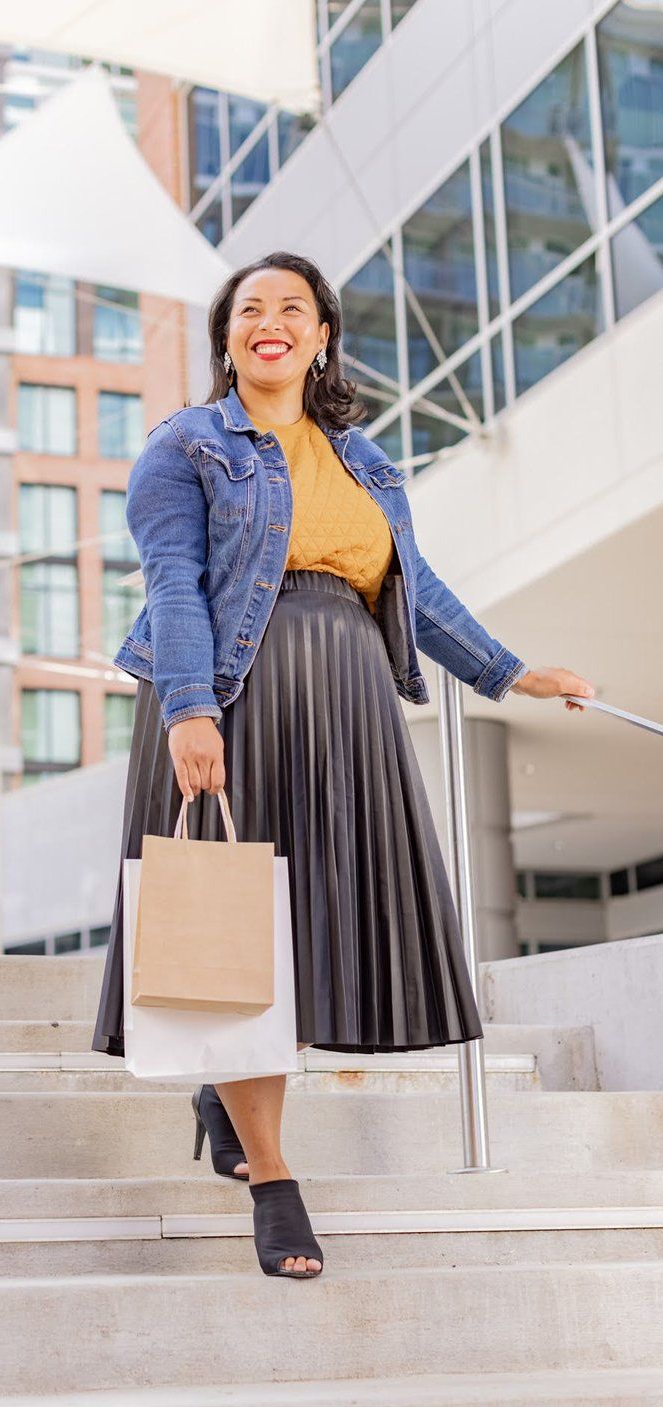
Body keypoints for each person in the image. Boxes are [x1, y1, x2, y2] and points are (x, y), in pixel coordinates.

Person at [90, 250, 595, 1279]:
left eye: (292, 307)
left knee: (312, 928)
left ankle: (224, 1094)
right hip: (234, 695)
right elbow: (176, 584)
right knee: (244, 936)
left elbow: (415, 588)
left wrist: (512, 672)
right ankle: (272, 1179)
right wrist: (191, 707)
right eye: (248, 309)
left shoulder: (363, 458)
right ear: (226, 338)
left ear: (322, 335)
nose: (268, 321)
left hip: (347, 708)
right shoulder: (186, 443)